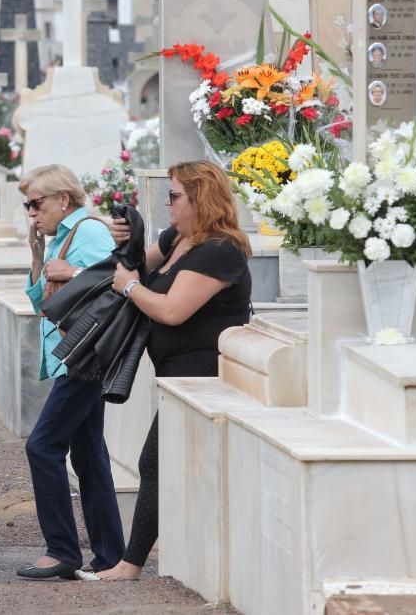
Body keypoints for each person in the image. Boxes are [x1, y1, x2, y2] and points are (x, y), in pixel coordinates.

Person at [79, 160, 252, 581]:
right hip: (176, 376)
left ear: (200, 199)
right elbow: (132, 264)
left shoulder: (219, 250)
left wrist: (132, 287)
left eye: (175, 195)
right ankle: (152, 561)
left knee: (153, 463)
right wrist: (126, 237)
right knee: (165, 465)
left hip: (204, 376)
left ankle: (129, 565)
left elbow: (172, 310)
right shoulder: (179, 238)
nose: (168, 203)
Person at [15, 163, 124, 580]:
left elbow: (118, 284)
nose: (32, 212)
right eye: (28, 205)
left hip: (83, 359)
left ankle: (62, 550)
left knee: (42, 446)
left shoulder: (89, 231)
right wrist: (39, 257)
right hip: (74, 358)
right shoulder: (61, 237)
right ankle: (110, 553)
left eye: (36, 202)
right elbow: (42, 305)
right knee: (89, 454)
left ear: (63, 199)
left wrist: (71, 272)